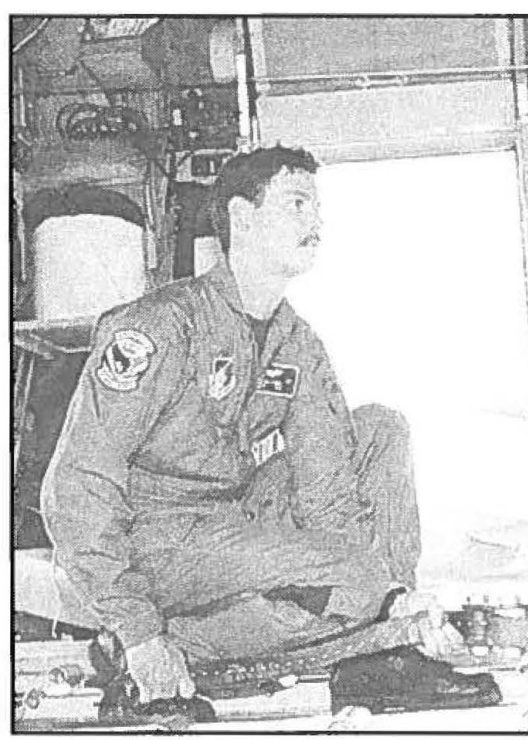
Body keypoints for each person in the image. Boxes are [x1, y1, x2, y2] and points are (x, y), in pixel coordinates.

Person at [40, 145, 483, 711]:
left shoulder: (297, 344)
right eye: (297, 204)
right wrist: (137, 627)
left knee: (378, 430)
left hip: (231, 521)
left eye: (316, 209)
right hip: (150, 538)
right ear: (243, 219)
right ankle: (151, 650)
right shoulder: (159, 327)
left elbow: (332, 493)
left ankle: (382, 655)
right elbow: (77, 486)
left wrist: (393, 599)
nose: (316, 223)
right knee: (349, 575)